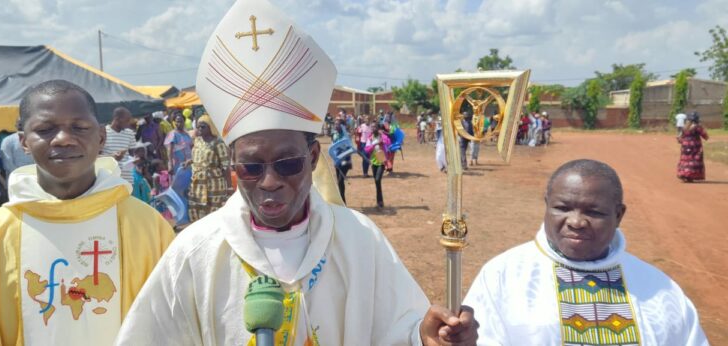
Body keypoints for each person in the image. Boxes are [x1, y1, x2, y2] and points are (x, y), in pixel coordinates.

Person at [115, 0, 478, 344]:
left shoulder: (358, 239)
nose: (270, 182)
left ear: (313, 156)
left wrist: (425, 338)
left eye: (288, 164)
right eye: (252, 168)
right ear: (234, 166)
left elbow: (399, 332)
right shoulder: (195, 252)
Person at [0, 80, 175, 345]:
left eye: (80, 127)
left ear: (101, 137)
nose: (63, 138)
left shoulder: (146, 226)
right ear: (23, 142)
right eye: (46, 129)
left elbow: (174, 322)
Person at [463, 159, 708, 345]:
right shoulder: (504, 275)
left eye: (594, 212)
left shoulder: (659, 289)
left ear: (619, 215)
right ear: (546, 205)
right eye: (562, 208)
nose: (576, 222)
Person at [187, 115, 232, 223]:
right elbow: (197, 157)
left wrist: (229, 187)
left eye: (203, 127)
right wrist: (190, 161)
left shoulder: (218, 143)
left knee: (214, 211)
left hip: (214, 184)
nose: (200, 129)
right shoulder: (197, 141)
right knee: (198, 209)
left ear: (210, 127)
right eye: (198, 127)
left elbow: (225, 166)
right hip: (197, 184)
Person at [102, 107, 137, 184]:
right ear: (117, 119)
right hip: (110, 180)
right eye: (127, 120)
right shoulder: (104, 132)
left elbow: (132, 155)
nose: (129, 123)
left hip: (127, 180)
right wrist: (113, 157)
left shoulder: (130, 133)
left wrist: (136, 160)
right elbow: (96, 157)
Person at [365, 121, 391, 208]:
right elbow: (367, 150)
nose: (373, 128)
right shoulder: (370, 138)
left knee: (377, 179)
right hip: (373, 162)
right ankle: (380, 201)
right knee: (377, 182)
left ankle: (379, 201)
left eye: (375, 127)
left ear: (378, 128)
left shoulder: (382, 136)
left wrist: (383, 140)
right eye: (372, 127)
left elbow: (388, 142)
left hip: (381, 160)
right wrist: (374, 144)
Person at [677, 112, 709, 183]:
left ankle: (684, 174)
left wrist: (683, 141)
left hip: (685, 146)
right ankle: (691, 176)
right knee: (694, 160)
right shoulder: (697, 127)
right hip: (695, 146)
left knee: (685, 159)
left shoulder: (684, 127)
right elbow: (705, 136)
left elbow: (679, 138)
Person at [331, 119, 353, 204]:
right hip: (337, 161)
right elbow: (332, 147)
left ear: (342, 126)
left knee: (340, 180)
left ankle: (343, 202)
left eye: (338, 124)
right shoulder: (334, 135)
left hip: (345, 161)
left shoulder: (346, 135)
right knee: (339, 182)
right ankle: (341, 200)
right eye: (335, 124)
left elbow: (350, 148)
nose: (336, 126)